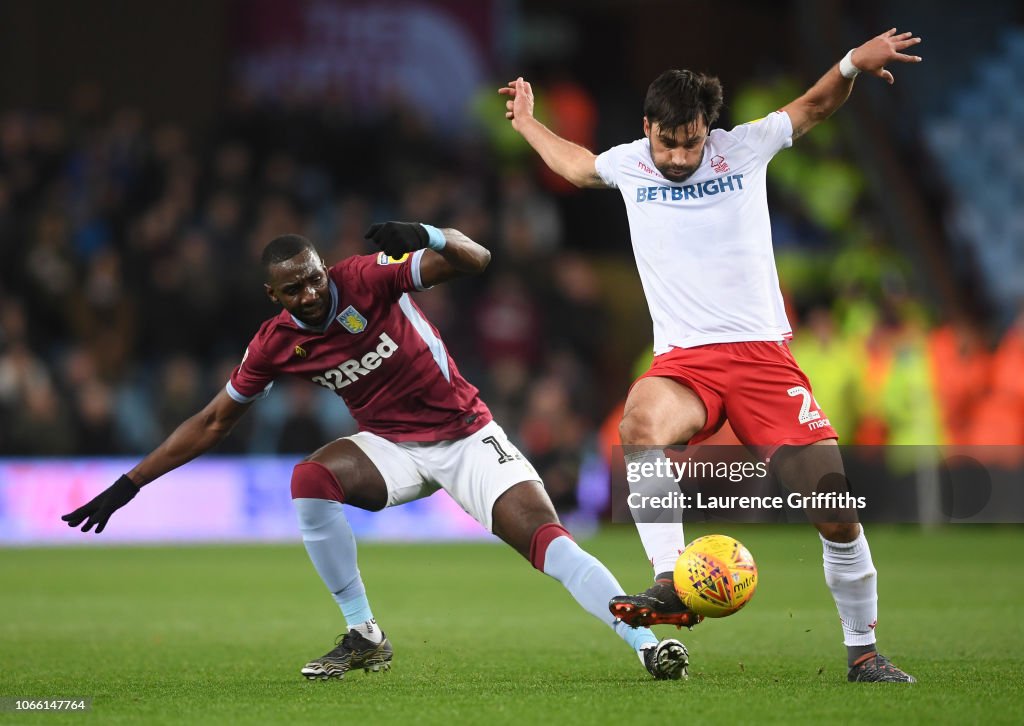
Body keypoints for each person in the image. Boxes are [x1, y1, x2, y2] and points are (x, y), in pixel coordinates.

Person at [61, 222, 690, 681]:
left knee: (551, 547)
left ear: (321, 267)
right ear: (272, 296)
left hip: (467, 435)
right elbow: (213, 420)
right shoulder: (275, 343)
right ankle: (364, 633)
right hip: (390, 446)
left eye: (312, 279)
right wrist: (130, 483)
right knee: (309, 479)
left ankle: (646, 644)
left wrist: (429, 234)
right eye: (292, 290)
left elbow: (477, 259)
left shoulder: (364, 276)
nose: (309, 295)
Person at [501, 29, 922, 682]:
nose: (678, 155)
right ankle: (669, 580)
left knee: (835, 513)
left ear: (708, 128)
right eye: (667, 142)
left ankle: (863, 651)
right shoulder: (629, 162)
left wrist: (849, 64)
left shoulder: (745, 147)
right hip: (684, 365)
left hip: (762, 362)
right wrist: (529, 123)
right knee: (639, 425)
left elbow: (812, 105)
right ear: (648, 129)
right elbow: (578, 166)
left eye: (691, 141)